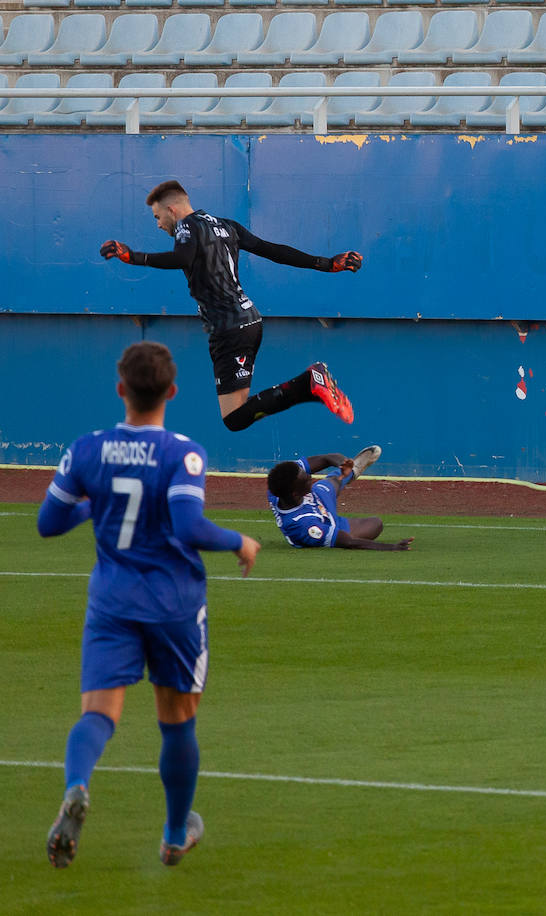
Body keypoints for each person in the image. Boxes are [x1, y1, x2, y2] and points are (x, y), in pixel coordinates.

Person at [37, 341, 261, 867]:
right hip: (174, 604)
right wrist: (238, 541)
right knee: (177, 722)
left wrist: (92, 505)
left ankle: (76, 786)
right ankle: (175, 833)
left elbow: (48, 523)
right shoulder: (183, 452)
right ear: (173, 391)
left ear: (121, 389)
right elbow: (188, 525)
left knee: (98, 714)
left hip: (113, 601)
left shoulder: (87, 449)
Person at [100, 180, 362, 432]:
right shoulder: (227, 226)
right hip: (249, 320)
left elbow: (183, 257)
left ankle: (310, 381)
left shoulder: (185, 226)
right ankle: (310, 384)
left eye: (157, 217)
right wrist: (327, 264)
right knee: (237, 415)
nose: (158, 224)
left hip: (229, 327)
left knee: (234, 419)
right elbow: (273, 250)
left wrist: (133, 257)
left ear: (172, 209)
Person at [267, 446, 413, 551]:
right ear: (295, 493)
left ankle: (350, 471)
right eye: (307, 480)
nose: (310, 477)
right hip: (326, 521)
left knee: (330, 482)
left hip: (315, 498)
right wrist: (392, 547)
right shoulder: (304, 525)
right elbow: (349, 542)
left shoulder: (281, 481)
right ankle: (346, 474)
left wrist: (344, 463)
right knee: (376, 523)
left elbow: (328, 458)